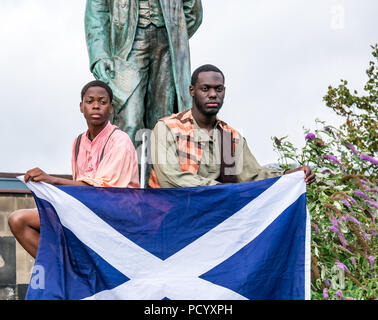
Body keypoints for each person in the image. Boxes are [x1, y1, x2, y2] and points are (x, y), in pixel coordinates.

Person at [8, 80, 139, 258]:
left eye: (102, 102)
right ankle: (66, 269)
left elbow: (102, 191)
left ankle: (70, 269)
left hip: (115, 217)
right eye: (90, 101)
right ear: (81, 106)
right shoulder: (78, 143)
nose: (96, 106)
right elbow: (78, 189)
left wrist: (52, 180)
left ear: (111, 108)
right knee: (18, 220)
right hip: (85, 212)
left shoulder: (120, 140)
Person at [149, 64, 316, 188]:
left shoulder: (231, 137)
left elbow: (253, 176)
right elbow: (170, 178)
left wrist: (287, 176)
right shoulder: (168, 128)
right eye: (205, 89)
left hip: (213, 221)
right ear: (192, 91)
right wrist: (222, 190)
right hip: (168, 220)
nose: (213, 94)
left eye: (218, 89)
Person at [84, 0, 203, 146]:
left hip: (167, 45)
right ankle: (124, 168)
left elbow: (193, 11)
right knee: (129, 121)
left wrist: (176, 33)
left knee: (164, 123)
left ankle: (161, 169)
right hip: (128, 46)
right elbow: (97, 10)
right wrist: (100, 55)